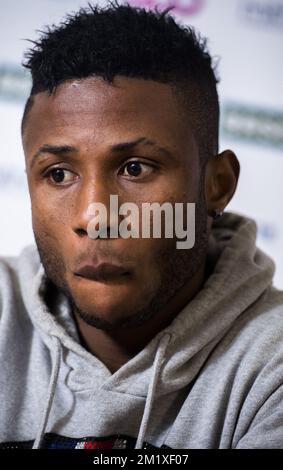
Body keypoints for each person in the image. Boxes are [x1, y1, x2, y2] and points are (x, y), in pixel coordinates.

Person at [0, 1, 282, 450]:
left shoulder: (273, 365)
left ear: (217, 185)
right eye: (58, 174)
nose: (95, 216)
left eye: (135, 169)